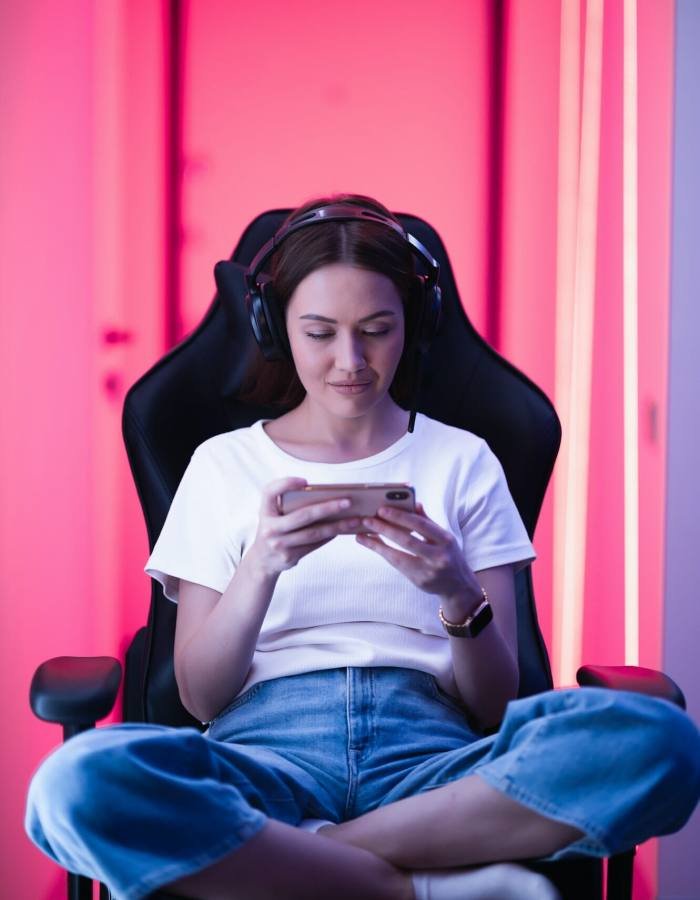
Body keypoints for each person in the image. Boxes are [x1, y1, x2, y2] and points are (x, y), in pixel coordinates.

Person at [25, 193, 700, 900]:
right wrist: (261, 567)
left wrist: (457, 596)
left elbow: (495, 704)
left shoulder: (463, 461)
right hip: (264, 757)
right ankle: (416, 889)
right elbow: (198, 697)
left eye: (377, 329)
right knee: (75, 786)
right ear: (275, 327)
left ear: (413, 324)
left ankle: (317, 860)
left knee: (659, 742)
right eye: (320, 333)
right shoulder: (222, 465)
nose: (351, 361)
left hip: (434, 764)